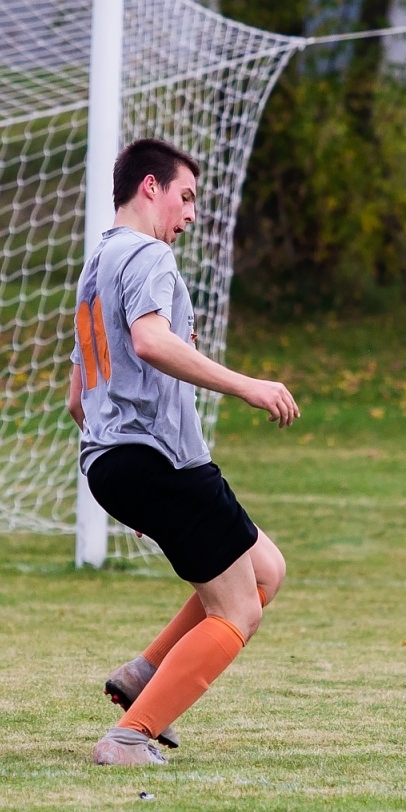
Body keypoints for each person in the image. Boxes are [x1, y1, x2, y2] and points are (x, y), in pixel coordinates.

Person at [71, 138, 300, 766]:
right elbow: (149, 342)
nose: (191, 214)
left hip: (115, 461)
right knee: (238, 610)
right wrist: (247, 384)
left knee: (265, 569)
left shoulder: (97, 265)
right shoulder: (148, 256)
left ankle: (145, 673)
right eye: (187, 196)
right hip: (158, 459)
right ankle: (129, 737)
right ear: (151, 187)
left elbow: (78, 396)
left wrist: (129, 486)